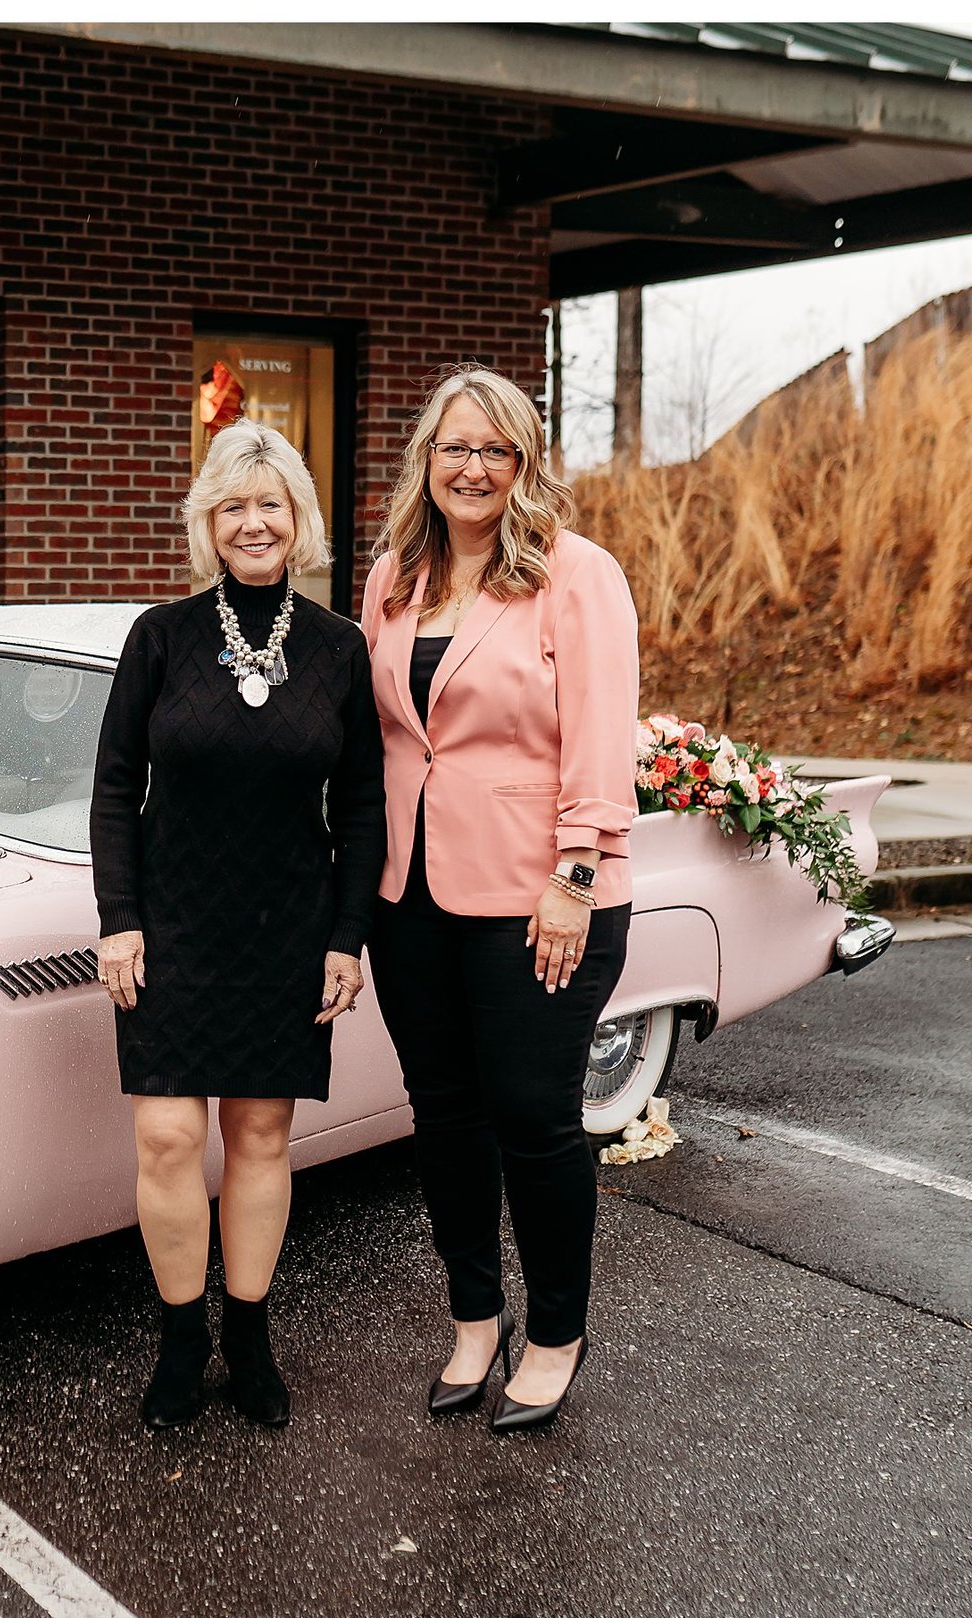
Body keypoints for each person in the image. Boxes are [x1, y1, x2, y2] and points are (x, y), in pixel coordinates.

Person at [357, 364, 639, 1433]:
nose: (470, 467)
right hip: (410, 889)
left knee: (532, 1116)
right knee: (443, 1117)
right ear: (425, 460)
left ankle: (557, 1331)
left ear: (523, 464)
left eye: (494, 449)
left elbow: (601, 732)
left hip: (540, 892)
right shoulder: (394, 576)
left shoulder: (575, 574)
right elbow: (384, 736)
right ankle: (475, 1316)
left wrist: (574, 872)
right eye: (452, 447)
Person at [90, 420, 386, 1430]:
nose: (252, 521)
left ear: (297, 519)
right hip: (171, 924)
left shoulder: (340, 649)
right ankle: (180, 1338)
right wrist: (119, 918)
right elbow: (113, 786)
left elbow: (361, 810)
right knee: (169, 1135)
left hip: (287, 928)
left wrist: (346, 937)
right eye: (232, 506)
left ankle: (249, 1336)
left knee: (260, 1132)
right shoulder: (160, 637)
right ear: (207, 524)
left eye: (269, 504)